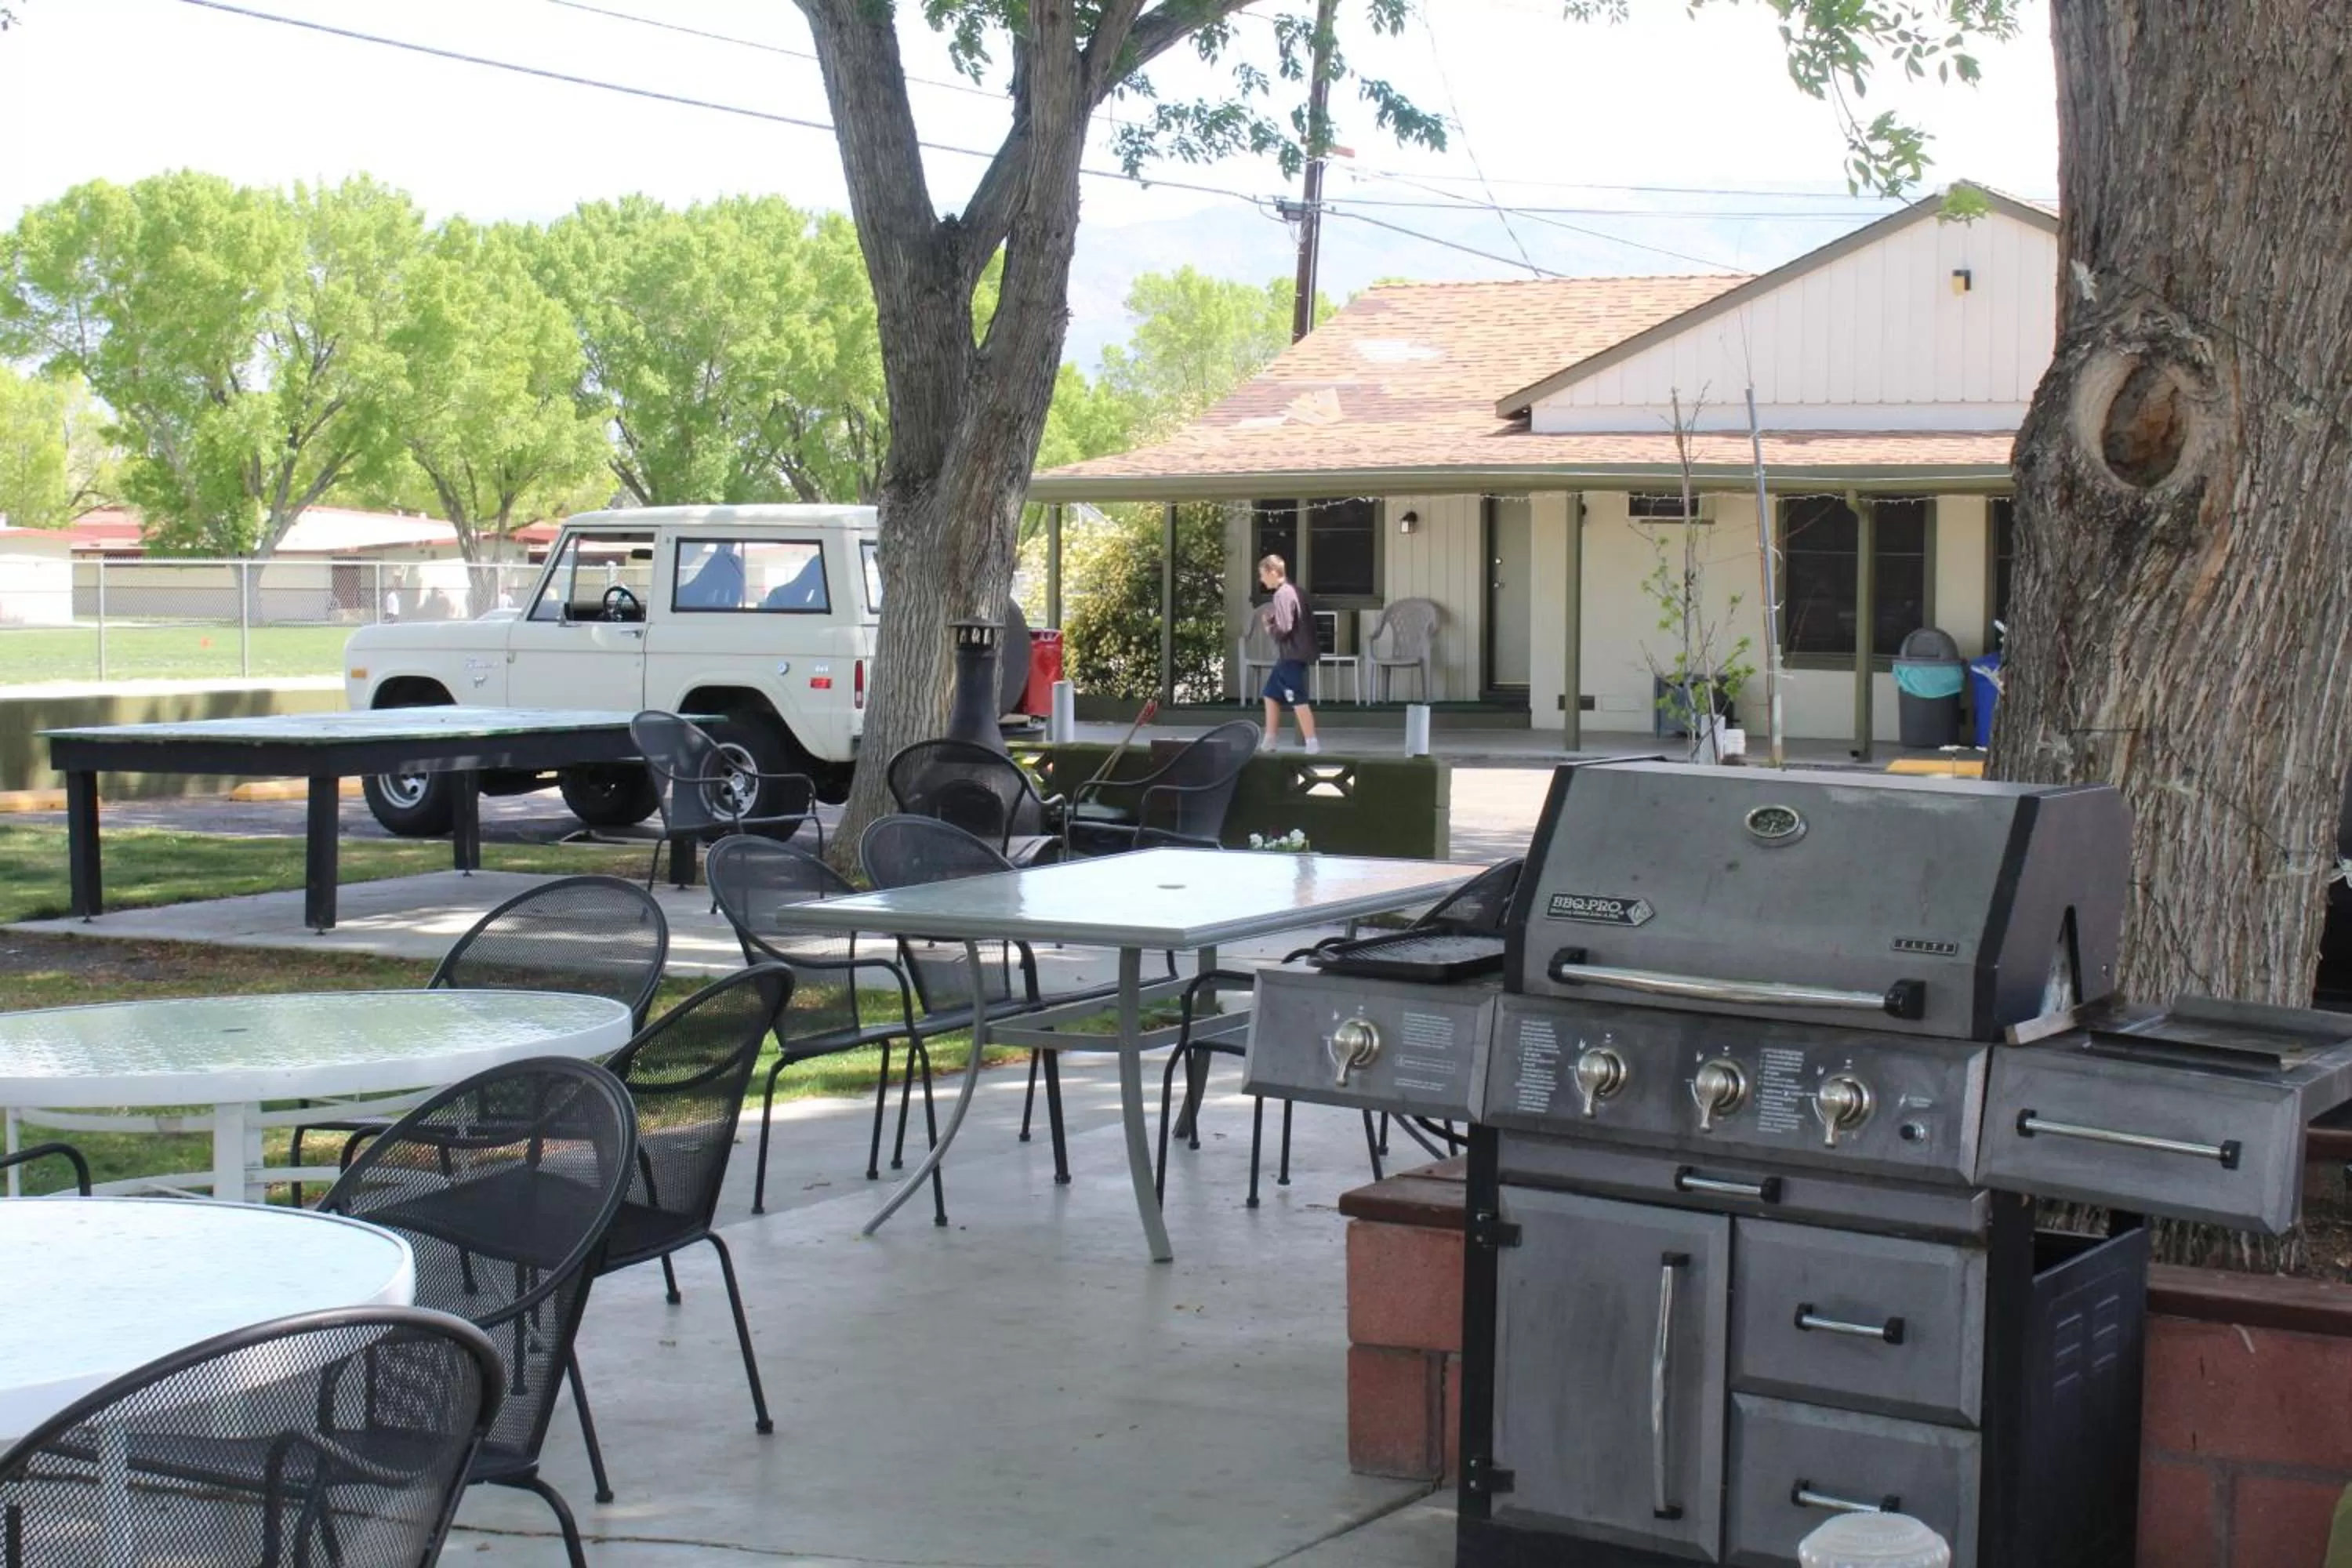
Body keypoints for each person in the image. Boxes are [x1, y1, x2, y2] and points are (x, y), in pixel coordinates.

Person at [1256, 554, 1319, 753]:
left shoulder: (1282, 594)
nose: (1262, 580)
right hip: (1296, 653)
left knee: (1297, 697)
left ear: (1273, 572)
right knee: (1270, 693)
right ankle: (1270, 740)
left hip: (1292, 654)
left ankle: (1312, 743)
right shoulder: (1296, 591)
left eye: (1263, 575)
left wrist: (1269, 627)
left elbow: (1285, 627)